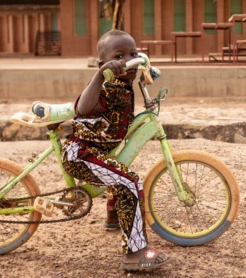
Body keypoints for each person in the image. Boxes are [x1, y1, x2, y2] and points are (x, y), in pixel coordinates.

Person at [39, 29, 172, 271]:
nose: (127, 60)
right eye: (119, 56)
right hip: (80, 155)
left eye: (133, 53)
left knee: (117, 167)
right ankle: (135, 253)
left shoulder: (125, 83)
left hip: (97, 151)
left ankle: (113, 217)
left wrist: (146, 70)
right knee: (129, 181)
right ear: (105, 64)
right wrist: (99, 76)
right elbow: (82, 108)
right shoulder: (105, 87)